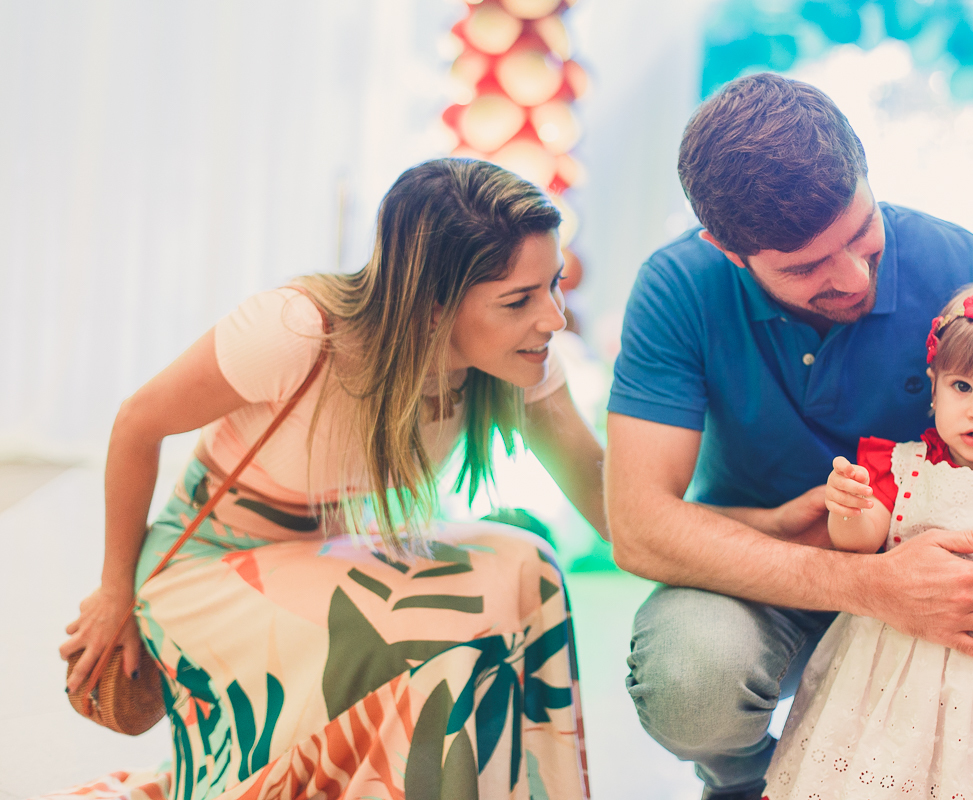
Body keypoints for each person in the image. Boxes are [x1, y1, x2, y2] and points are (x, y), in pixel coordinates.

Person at [604, 73, 973, 800]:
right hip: (767, 579)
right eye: (806, 267)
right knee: (691, 678)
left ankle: (972, 768)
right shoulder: (677, 288)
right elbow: (639, 527)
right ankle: (755, 784)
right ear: (728, 250)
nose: (851, 278)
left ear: (866, 174)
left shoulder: (962, 269)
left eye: (860, 234)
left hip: (962, 599)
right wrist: (873, 584)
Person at [55, 158, 604, 800]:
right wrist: (113, 590)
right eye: (520, 300)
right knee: (432, 633)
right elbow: (136, 423)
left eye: (554, 286)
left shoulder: (521, 361)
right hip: (209, 569)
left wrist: (731, 562)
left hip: (326, 558)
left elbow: (606, 498)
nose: (554, 318)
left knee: (527, 563)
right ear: (432, 304)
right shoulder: (296, 331)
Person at [764, 281, 973, 800]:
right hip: (885, 665)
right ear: (935, 385)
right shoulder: (900, 466)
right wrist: (849, 506)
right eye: (962, 387)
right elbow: (859, 543)